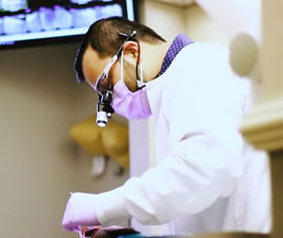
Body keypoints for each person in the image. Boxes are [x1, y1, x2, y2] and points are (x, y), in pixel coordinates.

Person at [61, 17, 271, 235]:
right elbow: (189, 204)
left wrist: (100, 207)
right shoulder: (176, 85)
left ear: (132, 52)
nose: (110, 103)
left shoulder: (200, 68)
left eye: (107, 86)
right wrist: (127, 235)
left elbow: (198, 175)